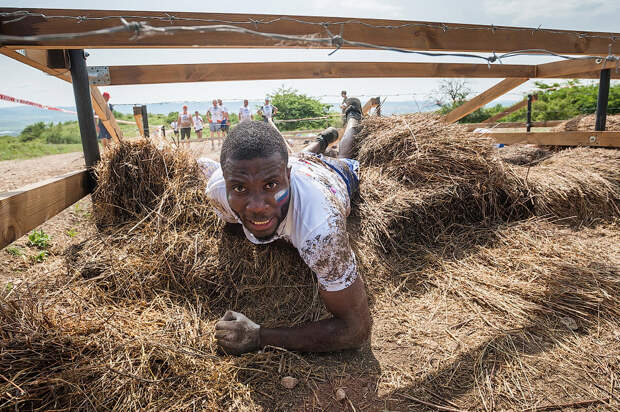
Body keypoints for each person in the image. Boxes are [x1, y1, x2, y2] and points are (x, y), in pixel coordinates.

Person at [199, 97, 370, 355]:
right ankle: (322, 141)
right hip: (296, 162)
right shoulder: (218, 192)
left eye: (270, 186)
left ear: (287, 178)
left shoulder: (321, 229)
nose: (257, 207)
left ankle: (353, 117)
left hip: (329, 177)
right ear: (227, 183)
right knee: (297, 158)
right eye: (240, 188)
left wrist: (259, 336)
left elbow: (356, 329)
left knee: (346, 159)